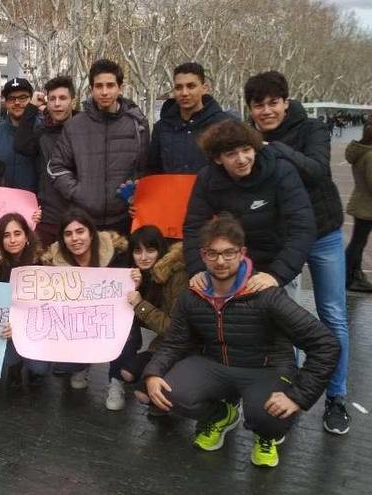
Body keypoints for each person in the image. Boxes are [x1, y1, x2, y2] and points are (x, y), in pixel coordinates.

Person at [143, 215, 339, 468]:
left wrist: (298, 396)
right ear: (203, 255)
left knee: (270, 416)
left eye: (228, 253)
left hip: (266, 369)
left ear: (241, 252)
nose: (221, 261)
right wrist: (153, 373)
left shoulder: (266, 294)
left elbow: (325, 344)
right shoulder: (192, 296)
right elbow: (175, 342)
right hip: (215, 365)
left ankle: (267, 435)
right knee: (168, 391)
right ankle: (222, 415)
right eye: (212, 254)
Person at [245, 71, 351, 435]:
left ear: (286, 102)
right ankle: (289, 388)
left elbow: (318, 171)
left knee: (333, 314)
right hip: (281, 241)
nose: (266, 111)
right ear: (251, 108)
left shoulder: (312, 129)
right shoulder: (248, 138)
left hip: (323, 235)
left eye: (273, 103)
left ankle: (336, 397)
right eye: (259, 105)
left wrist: (274, 149)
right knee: (281, 318)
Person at [184, 120, 315, 297]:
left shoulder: (282, 171)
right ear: (217, 158)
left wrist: (276, 275)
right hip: (231, 269)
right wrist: (197, 269)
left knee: (285, 322)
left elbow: (302, 227)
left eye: (246, 150)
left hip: (276, 266)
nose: (242, 159)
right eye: (231, 154)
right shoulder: (207, 179)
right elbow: (194, 227)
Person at [40, 208, 135, 410]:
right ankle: (80, 366)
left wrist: (136, 281)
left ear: (91, 232)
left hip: (109, 318)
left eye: (80, 231)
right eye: (68, 234)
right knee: (65, 366)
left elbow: (125, 294)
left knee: (129, 333)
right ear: (62, 239)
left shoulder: (117, 252)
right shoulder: (53, 264)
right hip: (76, 323)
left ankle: (116, 380)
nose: (75, 238)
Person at [48, 59, 149, 235]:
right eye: (98, 86)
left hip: (124, 220)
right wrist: (78, 193)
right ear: (91, 89)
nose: (104, 92)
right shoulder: (74, 126)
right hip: (84, 220)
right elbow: (56, 167)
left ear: (120, 88)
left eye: (110, 85)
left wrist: (138, 198)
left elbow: (146, 169)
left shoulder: (137, 125)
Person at [121, 225, 187, 410]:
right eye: (137, 251)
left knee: (143, 394)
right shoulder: (148, 274)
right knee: (126, 373)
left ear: (161, 249)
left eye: (150, 250)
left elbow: (172, 328)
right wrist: (138, 286)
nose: (143, 257)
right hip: (163, 344)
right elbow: (146, 318)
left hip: (184, 347)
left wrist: (140, 304)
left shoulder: (178, 275)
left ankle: (170, 403)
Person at [13, 76, 78, 246]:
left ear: (73, 101)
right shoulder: (43, 132)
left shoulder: (85, 131)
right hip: (48, 218)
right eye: (52, 99)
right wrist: (31, 107)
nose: (57, 104)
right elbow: (21, 145)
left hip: (79, 219)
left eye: (63, 98)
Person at [0, 212, 47, 387]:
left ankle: (33, 368)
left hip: (37, 327)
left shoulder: (44, 263)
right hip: (8, 328)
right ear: (0, 240)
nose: (12, 240)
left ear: (26, 236)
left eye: (17, 233)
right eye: (6, 235)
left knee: (39, 368)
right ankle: (15, 366)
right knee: (7, 360)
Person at [144, 62, 231, 175]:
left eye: (191, 86)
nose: (184, 93)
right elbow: (152, 171)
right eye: (179, 87)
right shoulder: (161, 128)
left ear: (204, 88)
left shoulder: (225, 125)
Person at [0, 77, 37, 191]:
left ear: (31, 100)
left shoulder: (42, 130)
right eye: (11, 98)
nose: (17, 102)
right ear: (5, 103)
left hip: (35, 204)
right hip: (2, 203)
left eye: (23, 97)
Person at [345, 122, 372, 292]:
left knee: (358, 242)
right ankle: (350, 276)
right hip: (367, 206)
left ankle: (352, 274)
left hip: (362, 204)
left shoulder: (363, 150)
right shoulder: (370, 155)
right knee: (357, 243)